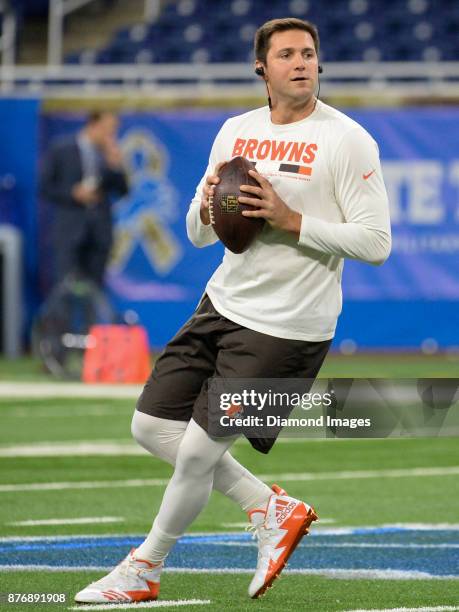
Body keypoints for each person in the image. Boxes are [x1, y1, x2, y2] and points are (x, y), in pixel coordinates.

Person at [75, 17, 391, 604]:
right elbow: (198, 235)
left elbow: (376, 243)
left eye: (310, 53)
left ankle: (144, 569)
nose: (302, 63)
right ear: (262, 70)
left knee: (196, 450)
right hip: (222, 303)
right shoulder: (235, 131)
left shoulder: (347, 140)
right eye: (288, 54)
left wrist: (289, 218)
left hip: (289, 325)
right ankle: (270, 507)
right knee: (150, 426)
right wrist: (207, 201)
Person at [41, 110, 128, 288]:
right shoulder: (62, 149)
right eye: (108, 130)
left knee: (95, 289)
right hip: (70, 230)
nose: (110, 136)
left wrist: (116, 167)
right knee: (64, 287)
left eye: (113, 131)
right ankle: (61, 317)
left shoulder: (109, 155)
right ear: (93, 125)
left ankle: (93, 318)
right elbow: (46, 187)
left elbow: (123, 191)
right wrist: (73, 193)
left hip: (99, 232)